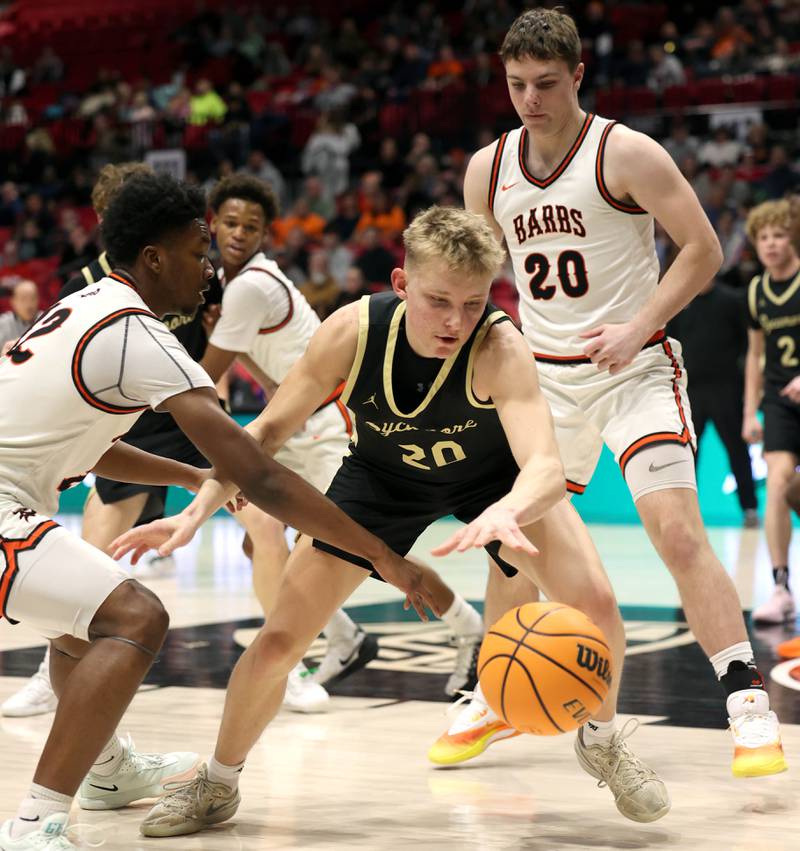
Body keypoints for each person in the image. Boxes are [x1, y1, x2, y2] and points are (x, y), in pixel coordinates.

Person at [113, 207, 669, 835]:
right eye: (439, 302)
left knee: (597, 602)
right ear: (402, 285)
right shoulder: (352, 330)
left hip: (492, 482)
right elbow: (264, 431)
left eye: (472, 302)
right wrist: (198, 508)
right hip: (380, 480)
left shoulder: (498, 344)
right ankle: (218, 782)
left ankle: (600, 738)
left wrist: (509, 510)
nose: (456, 322)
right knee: (278, 642)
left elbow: (543, 464)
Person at [0, 172, 435, 850]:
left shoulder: (88, 302)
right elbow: (261, 472)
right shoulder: (138, 334)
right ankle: (33, 822)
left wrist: (191, 473)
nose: (209, 267)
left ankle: (108, 774)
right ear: (153, 259)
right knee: (137, 616)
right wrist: (384, 554)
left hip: (12, 501)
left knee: (80, 622)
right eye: (197, 249)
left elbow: (97, 445)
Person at [461, 8, 785, 779]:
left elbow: (704, 250)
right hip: (546, 380)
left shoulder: (625, 152)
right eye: (516, 85)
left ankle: (747, 703)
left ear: (578, 74)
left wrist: (640, 325)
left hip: (635, 371)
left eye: (545, 83)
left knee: (675, 532)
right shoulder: (488, 168)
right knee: (510, 540)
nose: (530, 99)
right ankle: (492, 690)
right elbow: (474, 275)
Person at [203, 174, 482, 693]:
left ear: (266, 233)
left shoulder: (248, 287)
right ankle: (345, 637)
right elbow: (269, 374)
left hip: (331, 424)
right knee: (260, 543)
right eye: (231, 223)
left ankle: (469, 629)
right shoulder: (232, 284)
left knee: (364, 546)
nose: (239, 233)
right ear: (213, 223)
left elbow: (204, 371)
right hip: (295, 427)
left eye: (252, 226)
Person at [742, 199, 800, 624]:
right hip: (780, 400)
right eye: (763, 238)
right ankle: (780, 587)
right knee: (778, 483)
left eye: (778, 235)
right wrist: (750, 413)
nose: (771, 244)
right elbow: (755, 354)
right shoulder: (757, 291)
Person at [667, 278, 758, 527]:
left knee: (737, 450)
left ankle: (749, 509)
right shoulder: (680, 302)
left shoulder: (731, 300)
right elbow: (669, 342)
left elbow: (749, 344)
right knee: (687, 452)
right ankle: (686, 513)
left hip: (726, 389)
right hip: (690, 391)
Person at [0, 278, 40, 352]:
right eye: (23, 299)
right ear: (13, 301)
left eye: (32, 298)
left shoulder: (48, 318)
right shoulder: (2, 323)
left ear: (38, 299)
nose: (28, 304)